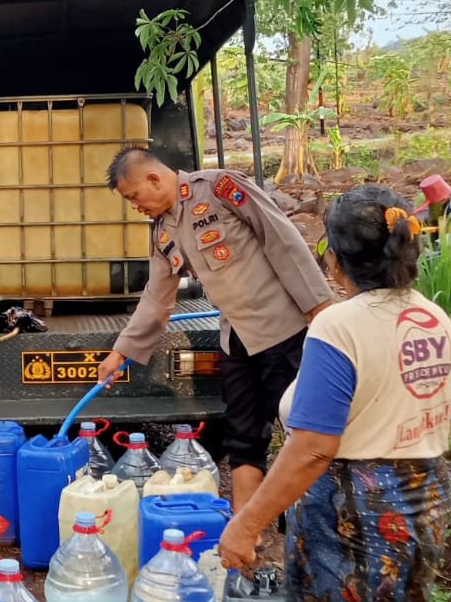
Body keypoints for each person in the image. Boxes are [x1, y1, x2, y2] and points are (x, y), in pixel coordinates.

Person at [218, 186, 451, 602]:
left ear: (334, 259)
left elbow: (314, 448)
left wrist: (246, 524)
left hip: (350, 515)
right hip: (422, 504)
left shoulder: (339, 327)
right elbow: (434, 413)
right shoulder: (434, 318)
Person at [97, 148, 334, 514]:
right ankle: (244, 527)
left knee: (301, 430)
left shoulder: (220, 188)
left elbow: (281, 238)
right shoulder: (162, 231)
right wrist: (120, 351)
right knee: (242, 436)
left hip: (284, 331)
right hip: (236, 340)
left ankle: (310, 519)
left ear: (154, 179)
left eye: (134, 196)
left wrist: (319, 309)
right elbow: (157, 298)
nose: (135, 206)